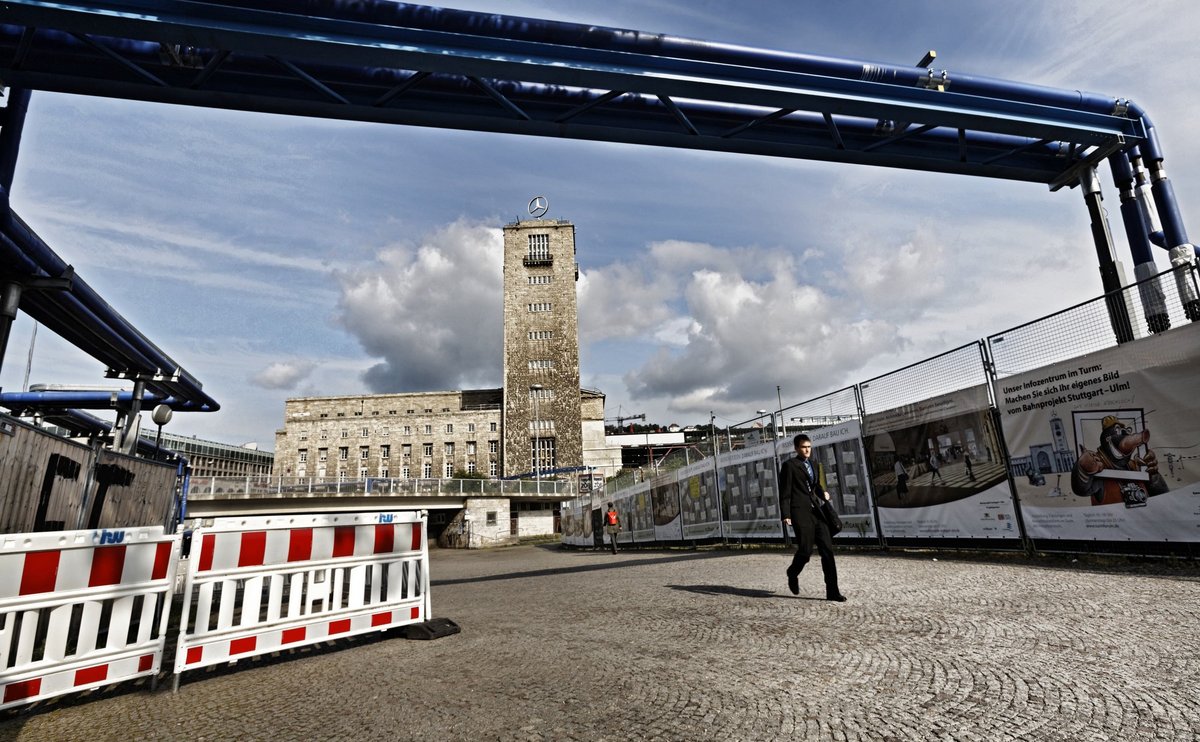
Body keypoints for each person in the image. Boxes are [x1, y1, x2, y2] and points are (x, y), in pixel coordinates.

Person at [777, 434, 845, 601]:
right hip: (800, 513)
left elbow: (816, 486)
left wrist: (823, 494)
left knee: (827, 551)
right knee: (805, 551)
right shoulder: (789, 466)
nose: (807, 450)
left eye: (809, 446)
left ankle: (833, 592)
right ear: (796, 448)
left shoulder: (813, 464)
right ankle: (792, 572)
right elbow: (785, 492)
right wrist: (786, 514)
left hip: (817, 512)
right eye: (803, 447)